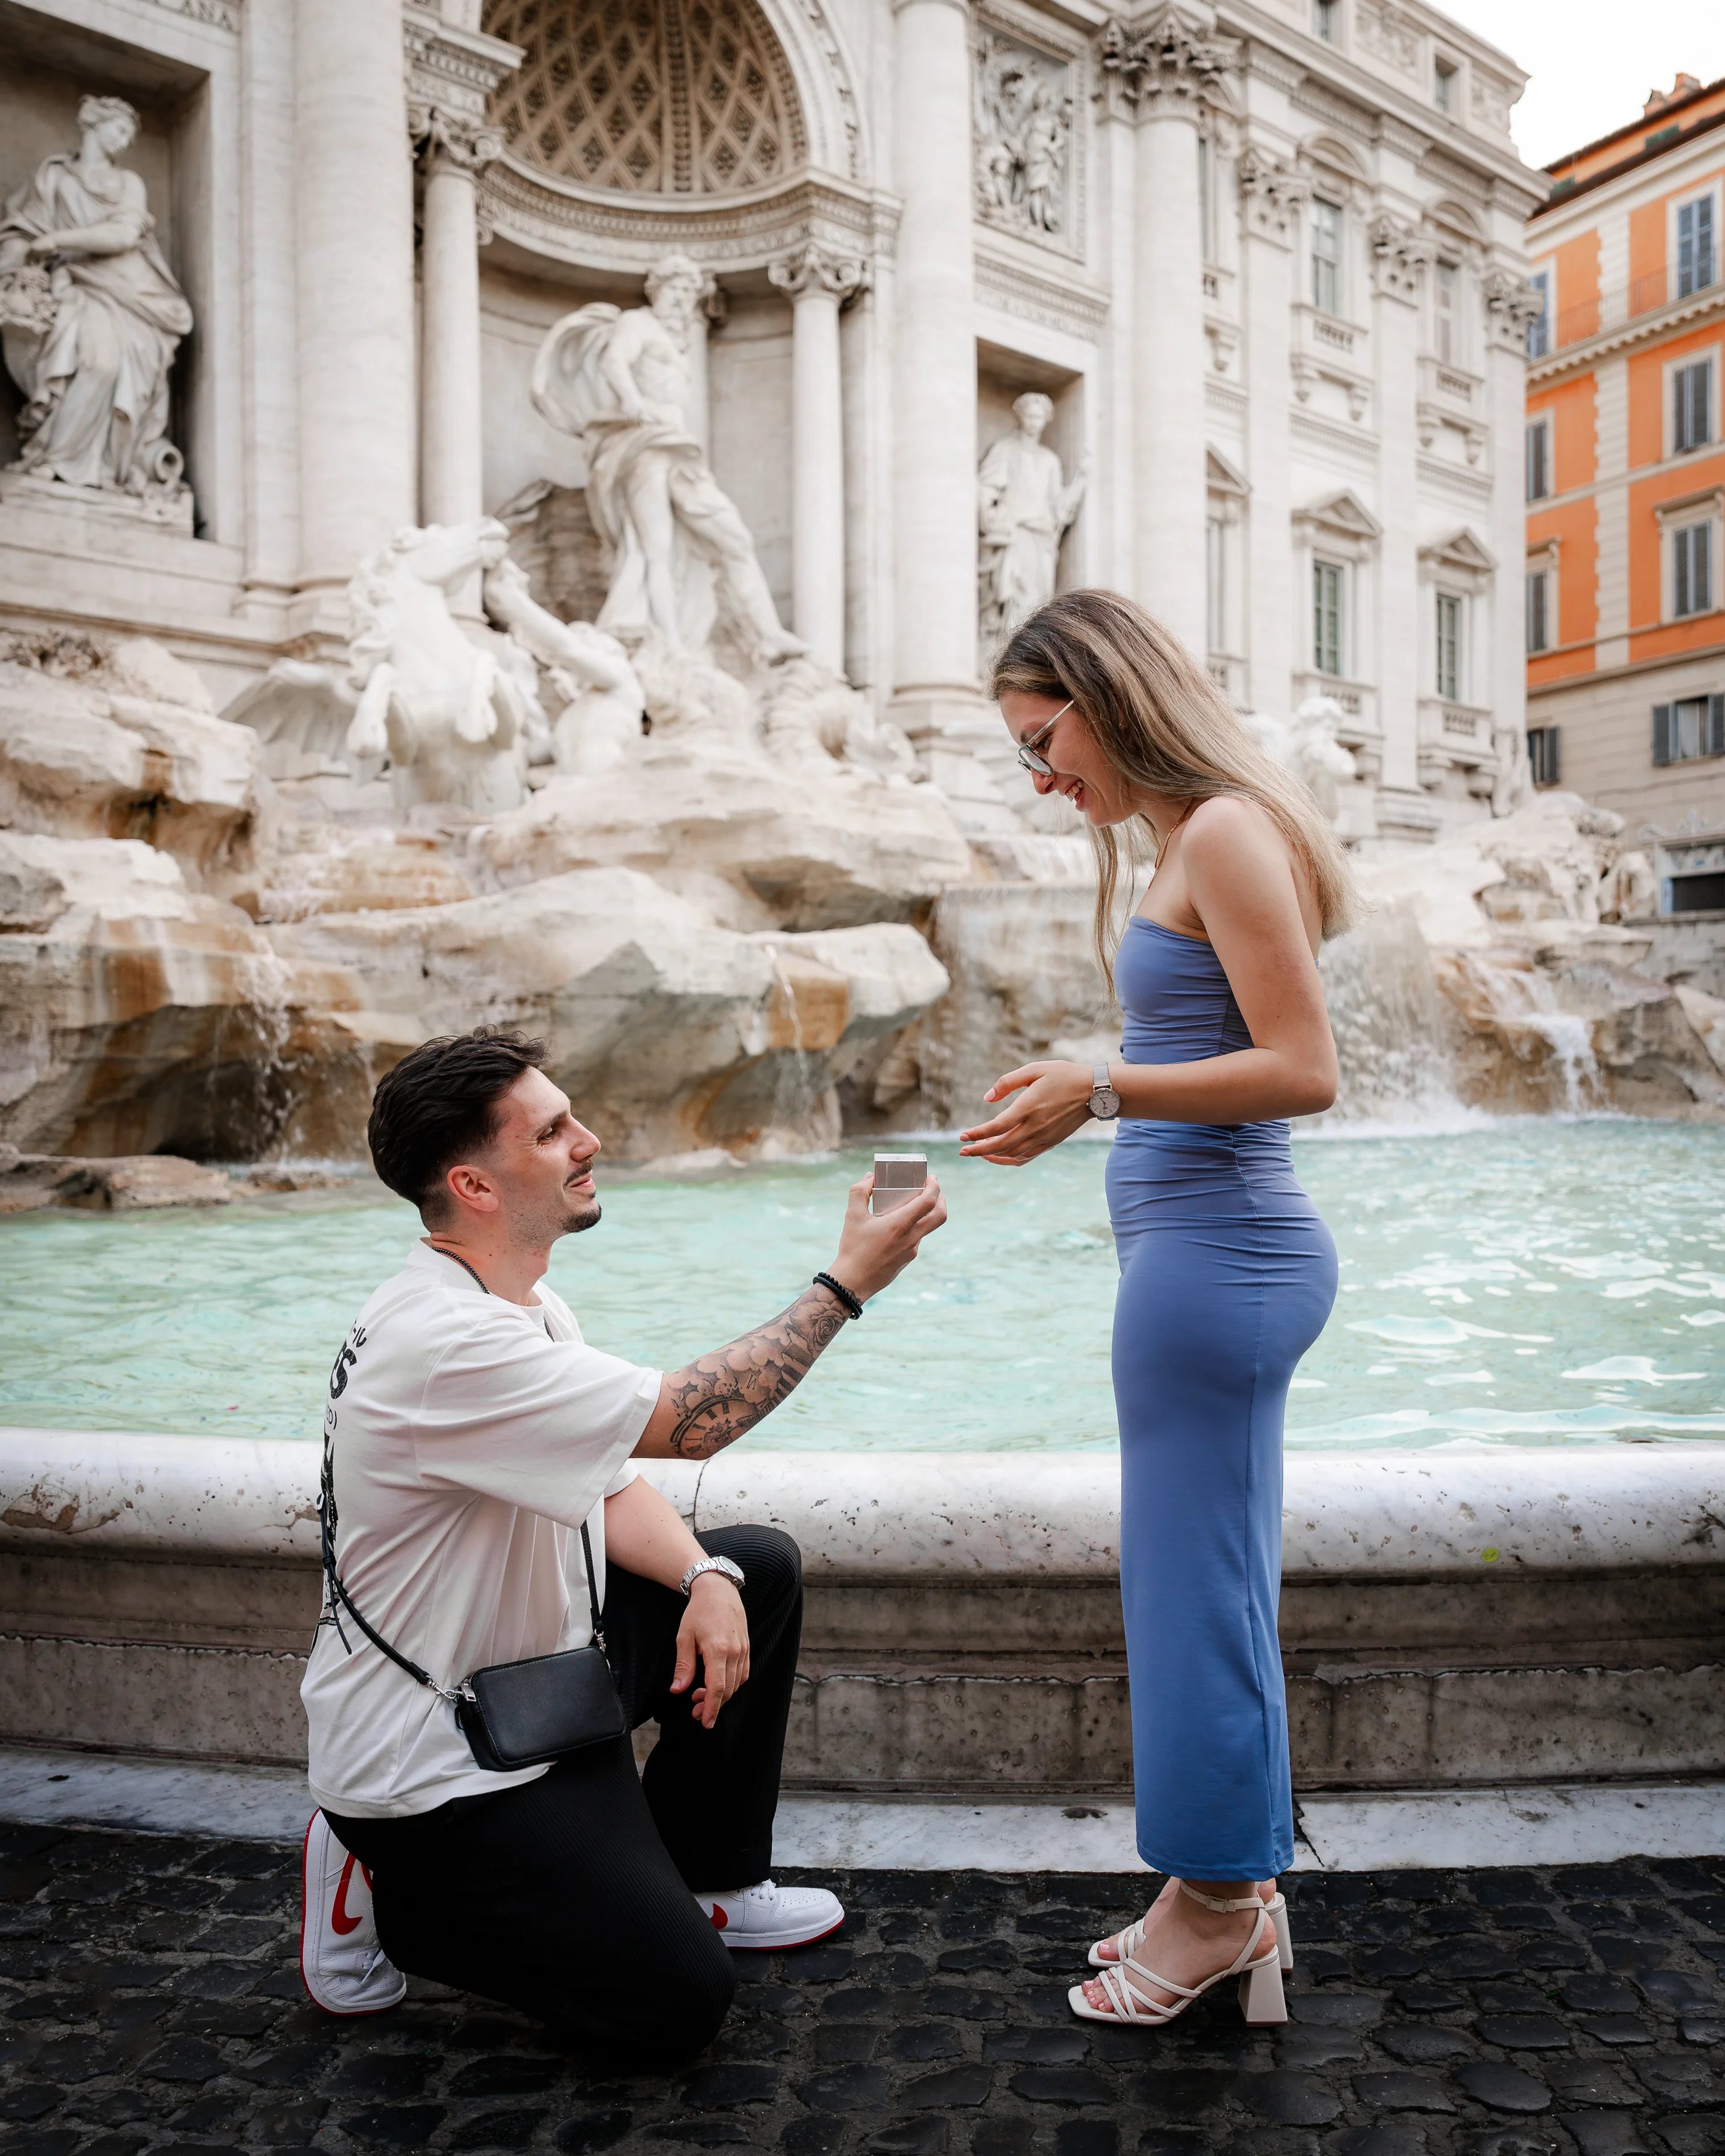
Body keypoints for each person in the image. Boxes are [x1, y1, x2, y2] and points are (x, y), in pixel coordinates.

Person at [299, 1027, 944, 2054]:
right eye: (554, 1131)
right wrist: (845, 1286)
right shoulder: (444, 1345)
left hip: (529, 1682)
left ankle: (715, 1878)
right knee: (675, 2006)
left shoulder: (518, 1301)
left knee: (756, 1567)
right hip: (440, 1759)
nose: (589, 1139)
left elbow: (604, 1476)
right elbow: (698, 1418)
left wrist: (705, 1574)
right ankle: (390, 1889)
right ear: (473, 1183)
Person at [959, 590, 1355, 2030]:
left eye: (1039, 738)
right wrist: (1090, 1097)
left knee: (1188, 1601)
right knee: (1202, 1589)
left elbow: (1305, 1068)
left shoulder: (1225, 830)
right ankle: (1219, 1892)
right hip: (1201, 1262)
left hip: (1221, 1264)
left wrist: (1101, 1082)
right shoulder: (1195, 836)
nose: (1039, 774)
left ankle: (1216, 1906)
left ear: (1103, 691)